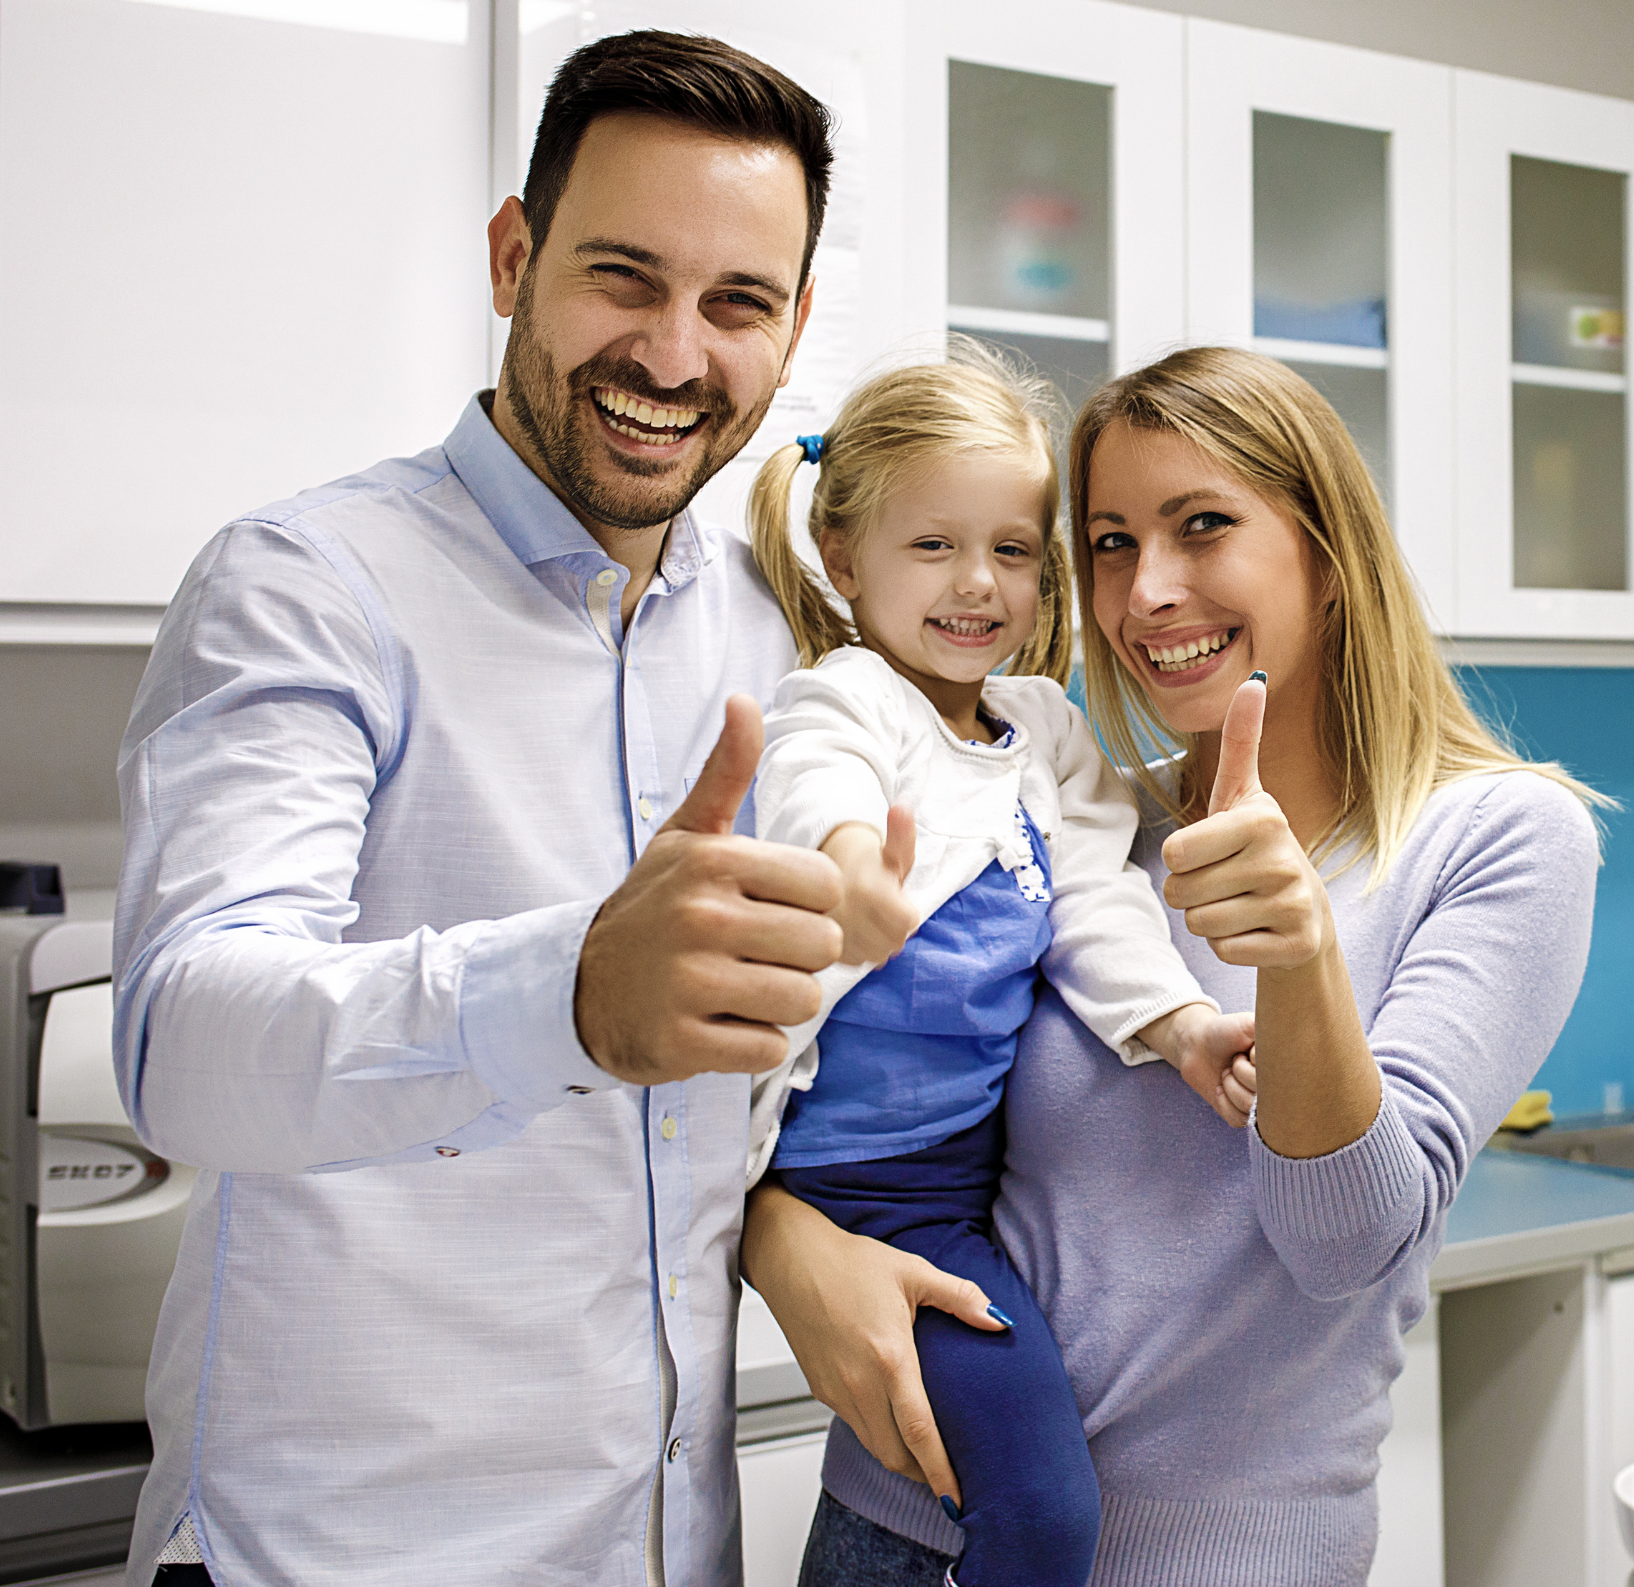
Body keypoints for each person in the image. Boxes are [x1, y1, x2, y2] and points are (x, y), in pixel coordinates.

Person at [112, 31, 995, 1587]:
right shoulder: (310, 587)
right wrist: (572, 993)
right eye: (621, 276)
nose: (670, 353)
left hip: (658, 1544)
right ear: (515, 258)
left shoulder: (788, 641)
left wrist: (792, 1220)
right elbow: (185, 1042)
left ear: (791, 331)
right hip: (332, 1547)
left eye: (735, 303)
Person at [754, 345, 1604, 1585]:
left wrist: (1302, 957)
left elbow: (1344, 1244)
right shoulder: (1074, 819)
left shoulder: (1501, 841)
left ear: (1327, 549)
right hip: (895, 1524)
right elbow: (870, 1103)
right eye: (1105, 543)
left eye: (1200, 527)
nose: (1147, 589)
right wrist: (776, 1239)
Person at [743, 350, 1257, 1586]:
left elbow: (1094, 897)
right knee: (1041, 1512)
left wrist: (1183, 1025)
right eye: (933, 547)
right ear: (840, 548)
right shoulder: (846, 697)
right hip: (854, 1192)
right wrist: (849, 872)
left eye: (1016, 552)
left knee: (1036, 1497)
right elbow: (819, 783)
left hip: (964, 1185)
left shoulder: (1043, 730)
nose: (978, 586)